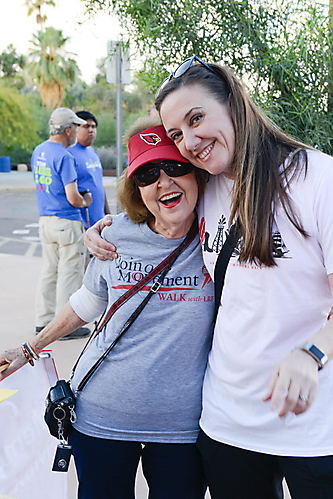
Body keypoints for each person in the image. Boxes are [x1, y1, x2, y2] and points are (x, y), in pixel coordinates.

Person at [85, 56, 333, 499]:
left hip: (313, 427)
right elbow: (157, 209)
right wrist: (107, 230)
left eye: (196, 118)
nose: (190, 142)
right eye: (177, 133)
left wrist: (312, 352)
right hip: (225, 427)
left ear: (234, 104)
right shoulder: (209, 187)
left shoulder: (316, 178)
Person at [0, 119, 214, 499]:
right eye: (148, 174)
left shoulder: (218, 238)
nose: (164, 182)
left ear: (197, 173)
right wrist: (29, 348)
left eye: (175, 166)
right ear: (137, 190)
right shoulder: (114, 235)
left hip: (183, 428)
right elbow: (86, 303)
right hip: (101, 419)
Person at [32, 107, 93, 340]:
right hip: (67, 222)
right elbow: (73, 197)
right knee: (70, 272)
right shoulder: (65, 157)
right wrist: (85, 200)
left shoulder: (39, 151)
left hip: (45, 220)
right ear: (67, 130)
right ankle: (65, 327)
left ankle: (43, 321)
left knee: (49, 271)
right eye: (76, 126)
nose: (77, 130)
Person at [69, 110, 111, 229]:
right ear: (75, 128)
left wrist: (108, 214)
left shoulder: (92, 152)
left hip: (99, 221)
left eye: (93, 126)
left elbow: (99, 185)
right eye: (86, 126)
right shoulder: (69, 155)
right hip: (82, 223)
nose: (91, 130)